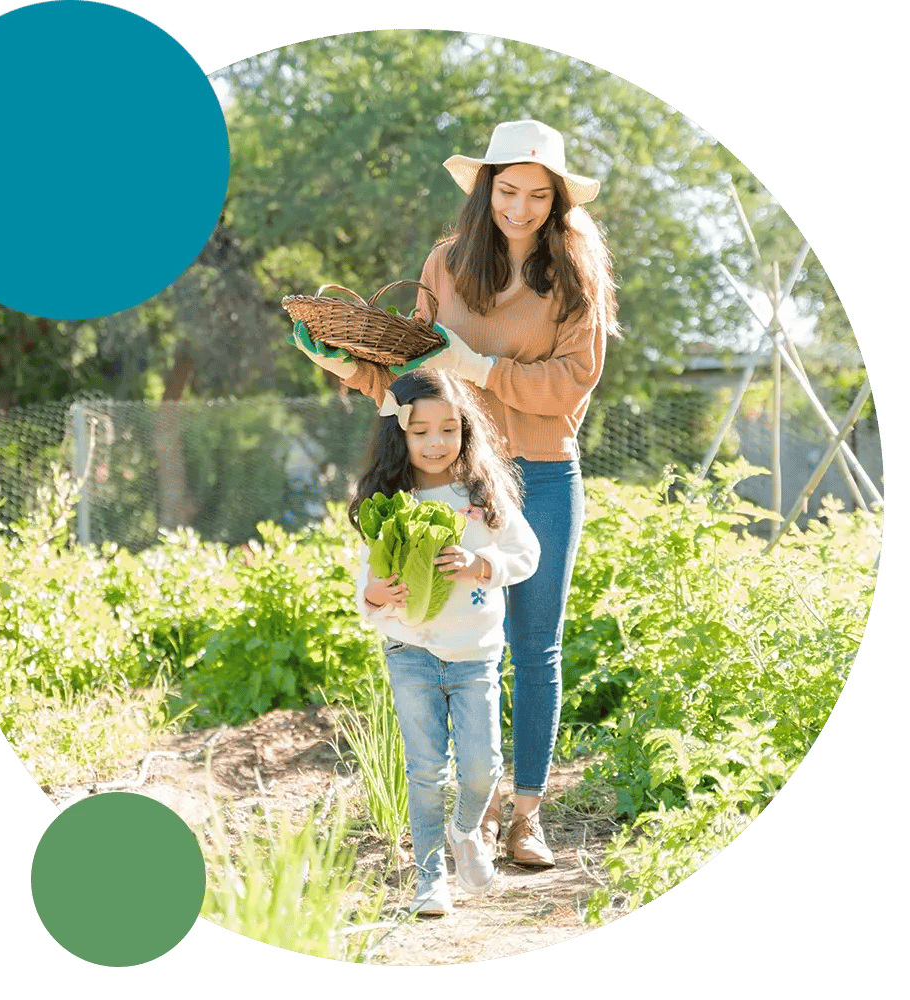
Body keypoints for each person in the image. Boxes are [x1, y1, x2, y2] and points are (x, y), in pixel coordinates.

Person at [292, 119, 618, 869]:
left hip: (540, 469)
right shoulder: (445, 264)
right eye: (508, 191)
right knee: (465, 640)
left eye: (539, 195)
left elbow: (571, 384)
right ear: (485, 189)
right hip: (454, 474)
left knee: (535, 646)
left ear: (558, 201)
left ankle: (527, 816)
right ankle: (471, 814)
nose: (521, 208)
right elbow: (416, 377)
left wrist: (480, 367)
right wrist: (347, 366)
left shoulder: (575, 279)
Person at [348, 369, 540, 916]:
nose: (436, 442)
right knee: (426, 771)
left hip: (476, 653)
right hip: (409, 652)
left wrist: (482, 564)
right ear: (400, 434)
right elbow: (365, 578)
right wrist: (375, 594)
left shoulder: (483, 494)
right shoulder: (388, 500)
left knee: (482, 770)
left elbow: (526, 555)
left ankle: (464, 830)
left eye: (449, 429)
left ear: (466, 431)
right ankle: (430, 878)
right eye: (421, 431)